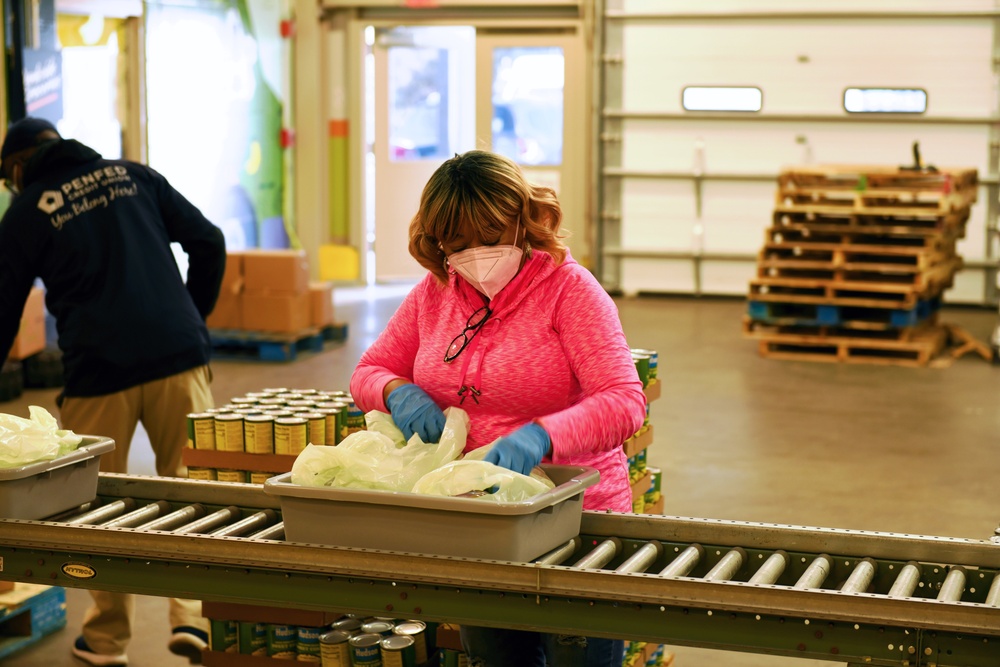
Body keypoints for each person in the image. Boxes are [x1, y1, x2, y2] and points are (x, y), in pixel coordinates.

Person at [350, 149, 646, 667]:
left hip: (573, 520)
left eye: (490, 238)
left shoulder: (571, 292)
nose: (476, 256)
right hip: (481, 521)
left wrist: (541, 437)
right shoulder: (436, 293)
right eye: (458, 244)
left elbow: (624, 402)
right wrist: (397, 391)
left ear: (522, 222)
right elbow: (368, 371)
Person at [0, 117, 227, 666]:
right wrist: (191, 320)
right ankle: (195, 621)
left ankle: (105, 642)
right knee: (193, 491)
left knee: (94, 503)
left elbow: (3, 304)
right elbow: (209, 240)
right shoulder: (133, 175)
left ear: (19, 165)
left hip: (100, 372)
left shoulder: (29, 210)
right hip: (179, 360)